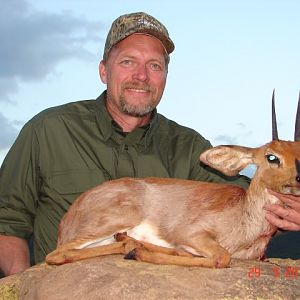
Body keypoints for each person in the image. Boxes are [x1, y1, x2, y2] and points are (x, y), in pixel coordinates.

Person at [0, 12, 298, 277]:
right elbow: (8, 224)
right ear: (104, 70)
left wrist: (288, 210)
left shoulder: (189, 146)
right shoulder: (48, 130)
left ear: (165, 78)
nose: (141, 76)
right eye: (128, 61)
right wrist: (23, 287)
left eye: (154, 65)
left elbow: (246, 203)